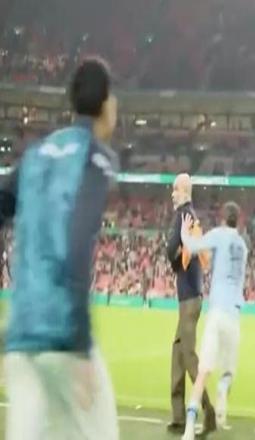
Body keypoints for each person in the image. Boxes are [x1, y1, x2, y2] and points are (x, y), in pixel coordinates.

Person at [0, 58, 119, 440]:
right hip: (62, 336)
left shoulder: (35, 155)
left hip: (20, 338)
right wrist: (80, 346)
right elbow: (77, 242)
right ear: (106, 103)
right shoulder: (95, 157)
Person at [180, 202, 248, 440]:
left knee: (202, 374)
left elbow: (192, 246)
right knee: (228, 373)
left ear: (222, 218)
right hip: (234, 315)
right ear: (238, 220)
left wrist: (184, 231)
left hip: (217, 312)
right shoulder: (243, 246)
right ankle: (222, 390)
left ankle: (189, 429)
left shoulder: (219, 234)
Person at [166, 173, 215, 435]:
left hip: (189, 298)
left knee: (187, 355)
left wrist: (174, 258)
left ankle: (208, 410)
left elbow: (172, 248)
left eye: (175, 189)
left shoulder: (184, 215)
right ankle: (177, 416)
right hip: (189, 296)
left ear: (185, 192)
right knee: (178, 352)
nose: (172, 194)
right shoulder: (190, 216)